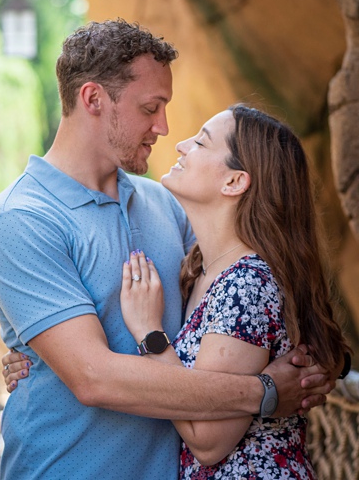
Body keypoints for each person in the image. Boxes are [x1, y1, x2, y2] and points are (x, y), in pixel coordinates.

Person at [0, 20, 336, 480]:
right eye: (151, 108)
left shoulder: (165, 203)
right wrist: (264, 393)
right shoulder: (22, 219)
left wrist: (313, 362)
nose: (164, 128)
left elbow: (253, 294)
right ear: (93, 99)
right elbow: (93, 377)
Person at [115, 105, 350, 478]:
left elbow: (208, 442)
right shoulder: (201, 270)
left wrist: (149, 332)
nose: (180, 145)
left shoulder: (246, 284)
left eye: (201, 143)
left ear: (234, 182)